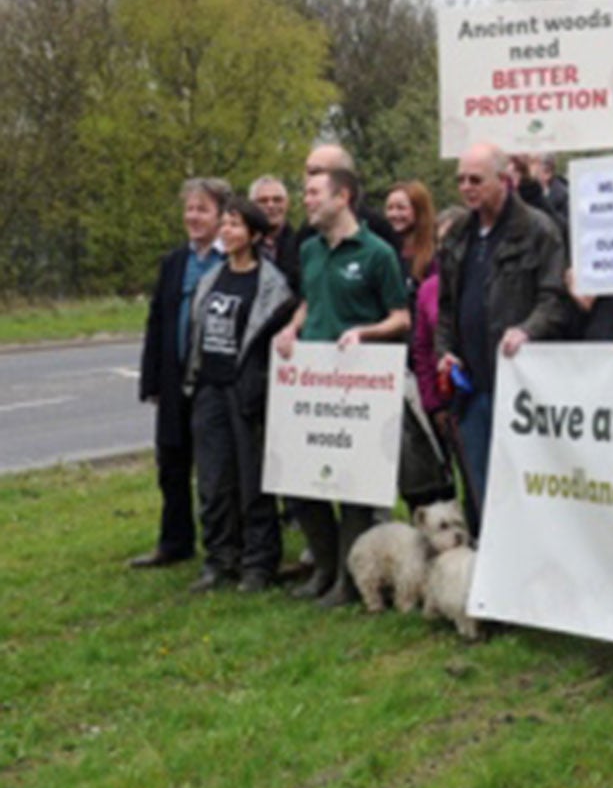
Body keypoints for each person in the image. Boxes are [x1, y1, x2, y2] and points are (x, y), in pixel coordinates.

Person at [272, 163, 412, 604]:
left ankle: (349, 582)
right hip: (311, 382)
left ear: (343, 197)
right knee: (300, 480)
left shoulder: (377, 253)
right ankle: (325, 567)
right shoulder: (309, 250)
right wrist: (292, 328)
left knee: (353, 487)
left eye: (315, 193)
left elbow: (401, 317)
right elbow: (309, 300)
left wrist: (364, 333)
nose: (306, 200)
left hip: (357, 385)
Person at [436, 142, 574, 526]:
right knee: (479, 487)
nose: (466, 188)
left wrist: (528, 330)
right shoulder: (457, 234)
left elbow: (554, 299)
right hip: (470, 388)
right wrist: (444, 351)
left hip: (519, 386)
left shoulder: (538, 229)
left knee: (525, 486)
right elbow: (445, 306)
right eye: (461, 180)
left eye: (475, 179)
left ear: (504, 180)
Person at [182, 196, 296, 592]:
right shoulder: (212, 278)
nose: (227, 231)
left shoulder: (272, 286)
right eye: (225, 224)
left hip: (247, 391)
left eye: (235, 225)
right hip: (210, 389)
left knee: (253, 481)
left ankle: (258, 562)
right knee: (213, 480)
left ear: (254, 234)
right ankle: (219, 558)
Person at [130, 177, 231, 570]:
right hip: (174, 380)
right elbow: (157, 321)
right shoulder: (174, 263)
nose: (193, 216)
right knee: (171, 463)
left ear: (221, 216)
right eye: (189, 209)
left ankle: (224, 545)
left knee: (216, 470)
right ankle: (174, 541)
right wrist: (151, 380)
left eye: (203, 209)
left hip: (215, 381)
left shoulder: (232, 259)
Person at [383, 181, 438, 290]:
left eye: (401, 208)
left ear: (419, 211)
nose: (394, 214)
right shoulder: (386, 251)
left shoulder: (434, 255)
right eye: (389, 208)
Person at [249, 173, 300, 287]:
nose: (271, 205)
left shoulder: (300, 245)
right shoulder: (243, 248)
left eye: (277, 200)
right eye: (263, 201)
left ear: (287, 204)